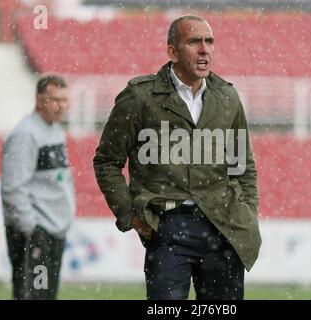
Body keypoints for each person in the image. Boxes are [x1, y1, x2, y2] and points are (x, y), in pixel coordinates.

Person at [93, 14, 261, 300]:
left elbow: (242, 167)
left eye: (209, 41)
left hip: (222, 225)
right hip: (167, 226)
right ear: (172, 51)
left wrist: (248, 213)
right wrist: (131, 217)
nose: (204, 49)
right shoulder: (140, 97)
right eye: (194, 41)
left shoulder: (228, 98)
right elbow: (107, 162)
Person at [1, 74, 76, 300]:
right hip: (35, 232)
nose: (61, 106)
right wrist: (30, 228)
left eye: (64, 100)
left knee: (45, 294)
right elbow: (13, 187)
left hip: (53, 229)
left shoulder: (54, 129)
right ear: (39, 100)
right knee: (33, 295)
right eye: (55, 100)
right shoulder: (25, 134)